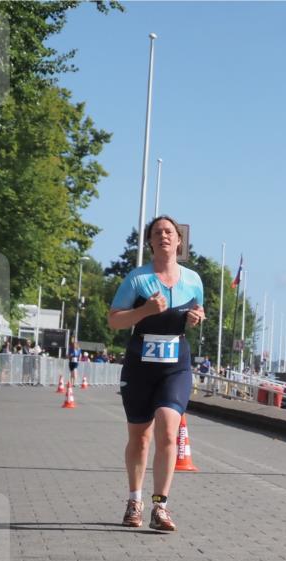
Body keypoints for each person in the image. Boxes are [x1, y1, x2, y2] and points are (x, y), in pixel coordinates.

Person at [108, 215, 206, 533]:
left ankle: (160, 505)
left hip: (175, 364)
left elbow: (198, 311)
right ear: (150, 241)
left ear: (179, 241)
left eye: (169, 232)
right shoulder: (137, 279)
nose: (163, 236)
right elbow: (115, 321)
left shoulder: (193, 279)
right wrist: (144, 311)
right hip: (140, 365)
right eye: (156, 232)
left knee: (167, 428)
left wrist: (196, 318)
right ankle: (134, 501)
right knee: (140, 438)